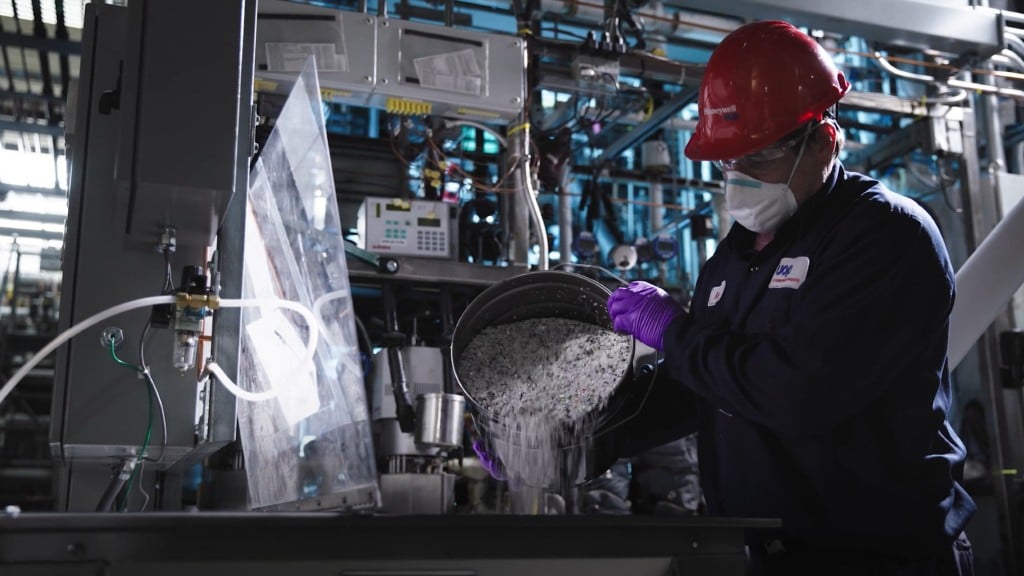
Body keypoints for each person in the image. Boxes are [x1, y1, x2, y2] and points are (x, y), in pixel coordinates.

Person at [606, 20, 976, 575]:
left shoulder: (884, 237)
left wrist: (675, 332)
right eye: (728, 162)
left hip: (879, 558)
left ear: (823, 142)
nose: (738, 179)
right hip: (768, 555)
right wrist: (586, 439)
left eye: (758, 159)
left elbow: (799, 394)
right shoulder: (732, 258)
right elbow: (702, 388)